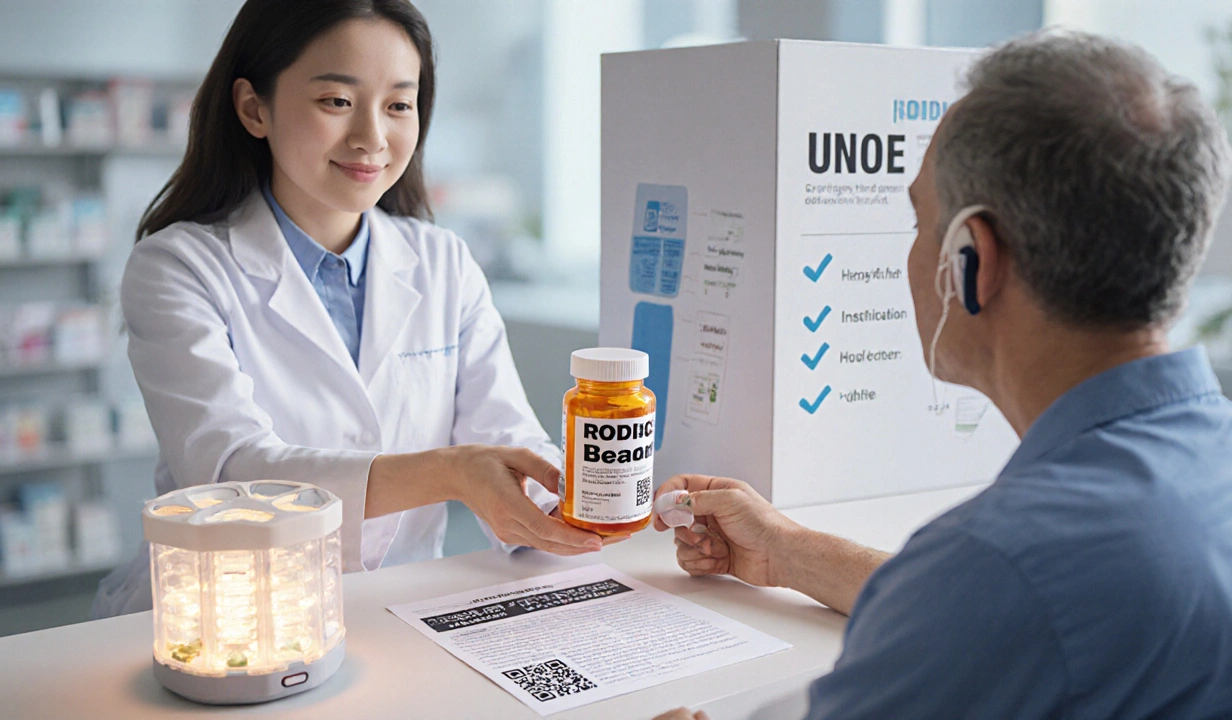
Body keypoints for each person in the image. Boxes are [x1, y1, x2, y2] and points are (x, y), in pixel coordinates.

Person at [654, 31, 1232, 720]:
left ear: (971, 258)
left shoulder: (1000, 567)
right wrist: (787, 554)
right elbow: (1018, 613)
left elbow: (1001, 598)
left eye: (919, 220)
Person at [92, 0, 609, 619]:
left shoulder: (443, 262)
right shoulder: (178, 267)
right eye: (337, 101)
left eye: (398, 104)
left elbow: (507, 438)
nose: (371, 137)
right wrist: (453, 473)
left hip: (404, 614)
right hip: (231, 621)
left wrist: (601, 497)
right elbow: (230, 473)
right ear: (254, 108)